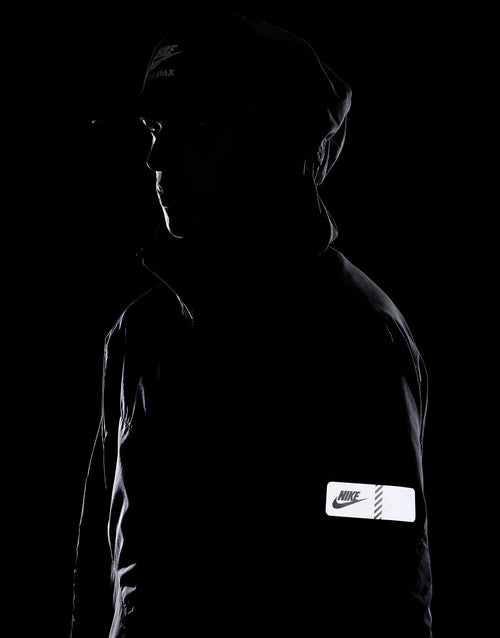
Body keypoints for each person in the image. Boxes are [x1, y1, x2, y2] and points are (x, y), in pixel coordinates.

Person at [71, 11, 433, 637]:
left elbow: (386, 582)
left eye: (196, 127)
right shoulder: (139, 336)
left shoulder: (356, 338)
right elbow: (95, 567)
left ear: (275, 145)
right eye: (155, 128)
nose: (157, 156)